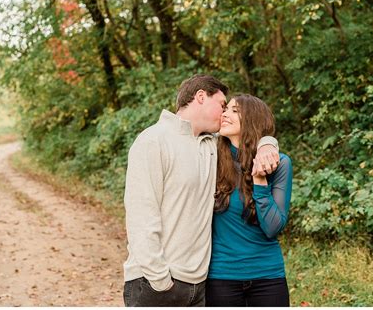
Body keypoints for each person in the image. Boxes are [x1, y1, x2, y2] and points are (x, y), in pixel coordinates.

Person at [122, 75, 280, 307]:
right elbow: (141, 218)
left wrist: (268, 143)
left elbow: (249, 133)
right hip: (155, 284)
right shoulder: (153, 141)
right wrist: (161, 280)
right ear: (200, 97)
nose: (225, 113)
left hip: (200, 287)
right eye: (222, 105)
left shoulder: (212, 145)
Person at [205, 94, 293, 307]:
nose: (225, 114)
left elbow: (273, 227)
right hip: (221, 276)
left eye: (235, 111)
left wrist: (260, 182)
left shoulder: (279, 163)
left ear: (253, 119)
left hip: (268, 277)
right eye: (226, 109)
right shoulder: (209, 159)